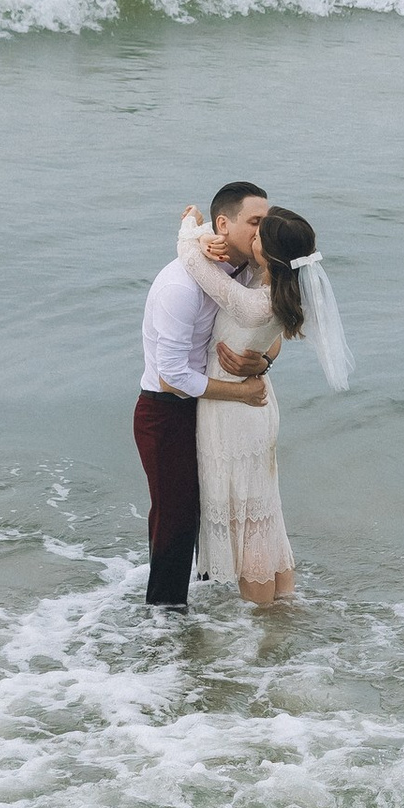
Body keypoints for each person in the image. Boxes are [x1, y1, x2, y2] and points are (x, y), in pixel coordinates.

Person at [175, 197, 354, 604]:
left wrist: (191, 225)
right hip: (253, 406)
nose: (253, 235)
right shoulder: (275, 284)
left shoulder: (255, 303)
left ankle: (262, 621)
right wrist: (209, 236)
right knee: (264, 510)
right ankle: (284, 604)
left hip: (232, 412)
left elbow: (192, 261)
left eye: (260, 235)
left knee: (248, 520)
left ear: (269, 255)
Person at [135, 180, 272, 608]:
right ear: (223, 226)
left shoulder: (245, 270)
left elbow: (272, 329)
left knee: (213, 508)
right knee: (177, 519)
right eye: (255, 222)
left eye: (267, 222)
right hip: (165, 412)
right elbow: (172, 378)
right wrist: (242, 392)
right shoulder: (180, 286)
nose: (263, 232)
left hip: (206, 408)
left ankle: (205, 607)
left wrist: (263, 362)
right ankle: (164, 620)